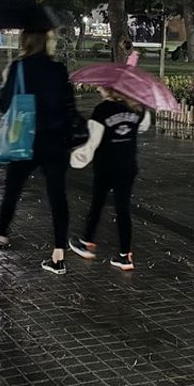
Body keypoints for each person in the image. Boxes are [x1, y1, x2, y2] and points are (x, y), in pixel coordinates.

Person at [0, 29, 75, 274]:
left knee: (13, 189)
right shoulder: (58, 69)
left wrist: (7, 82)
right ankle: (58, 254)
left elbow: (4, 105)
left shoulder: (19, 67)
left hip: (25, 139)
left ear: (25, 41)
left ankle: (1, 234)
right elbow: (69, 105)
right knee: (58, 197)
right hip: (55, 141)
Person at [68, 88, 151, 270]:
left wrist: (74, 159)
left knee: (97, 205)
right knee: (123, 210)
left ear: (109, 90)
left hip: (106, 167)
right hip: (128, 167)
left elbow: (92, 143)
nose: (98, 89)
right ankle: (125, 256)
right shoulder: (136, 108)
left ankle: (87, 242)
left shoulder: (102, 110)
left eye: (101, 87)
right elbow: (144, 126)